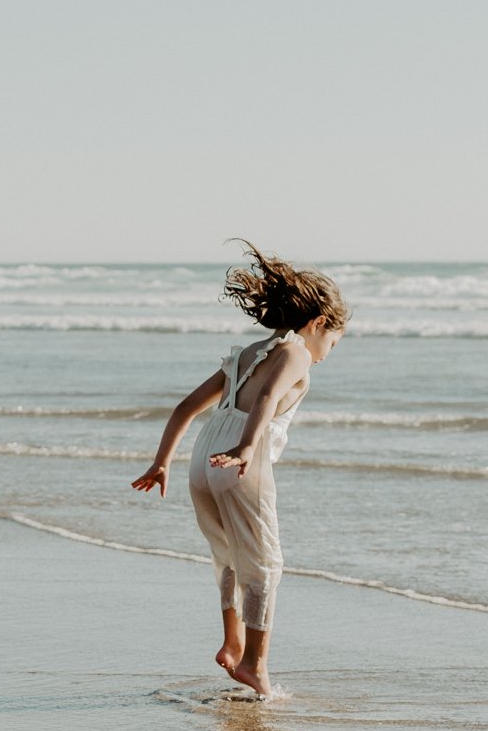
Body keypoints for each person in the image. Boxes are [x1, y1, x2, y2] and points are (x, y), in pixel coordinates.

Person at [131, 242, 348, 697]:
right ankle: (254, 666)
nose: (328, 352)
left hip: (202, 456)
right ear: (318, 324)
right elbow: (267, 401)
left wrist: (161, 461)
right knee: (266, 564)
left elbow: (186, 407)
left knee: (229, 554)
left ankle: (232, 643)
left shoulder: (247, 353)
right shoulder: (296, 355)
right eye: (333, 341)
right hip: (240, 459)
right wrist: (248, 448)